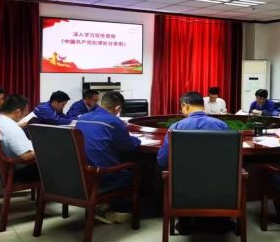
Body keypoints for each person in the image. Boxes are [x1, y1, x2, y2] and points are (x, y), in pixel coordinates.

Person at [157, 91, 230, 234]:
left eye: (181, 108)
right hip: (218, 188)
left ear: (186, 105)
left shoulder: (176, 127)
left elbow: (162, 160)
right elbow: (229, 158)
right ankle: (218, 221)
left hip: (184, 189)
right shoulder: (222, 125)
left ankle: (185, 221)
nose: (181, 111)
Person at [76, 91, 141, 224]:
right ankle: (117, 210)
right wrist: (137, 140)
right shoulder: (114, 122)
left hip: (82, 173)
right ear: (118, 108)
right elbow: (129, 146)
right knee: (137, 172)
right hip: (102, 175)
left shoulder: (82, 118)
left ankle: (104, 204)